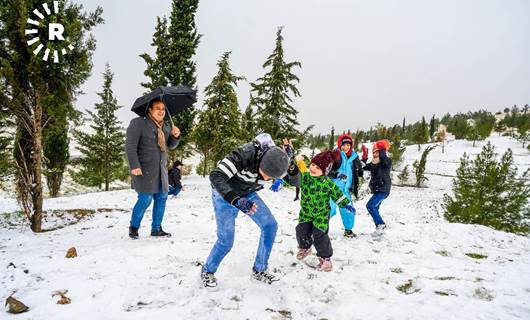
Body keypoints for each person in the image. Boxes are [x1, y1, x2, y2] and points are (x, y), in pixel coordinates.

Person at [201, 133, 297, 288]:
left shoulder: (276, 159)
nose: (266, 180)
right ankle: (207, 270)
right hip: (224, 194)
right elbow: (216, 176)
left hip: (248, 192)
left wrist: (289, 164)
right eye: (266, 175)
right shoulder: (244, 154)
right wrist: (236, 200)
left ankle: (259, 270)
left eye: (271, 178)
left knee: (270, 225)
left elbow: (296, 181)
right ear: (260, 163)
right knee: (226, 240)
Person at [125, 98, 180, 239]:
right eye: (157, 108)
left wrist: (175, 136)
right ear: (150, 109)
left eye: (163, 108)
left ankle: (156, 229)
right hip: (143, 169)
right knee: (145, 199)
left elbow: (170, 145)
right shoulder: (138, 123)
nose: (161, 111)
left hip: (161, 170)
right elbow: (130, 147)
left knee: (161, 198)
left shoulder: (166, 127)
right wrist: (134, 166)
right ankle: (134, 227)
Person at [294, 151, 354, 272]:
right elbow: (297, 171)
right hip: (306, 212)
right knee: (301, 230)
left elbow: (337, 194)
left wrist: (345, 204)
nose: (313, 168)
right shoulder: (305, 177)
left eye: (318, 167)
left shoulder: (328, 183)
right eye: (313, 165)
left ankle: (325, 259)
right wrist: (298, 161)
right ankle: (305, 248)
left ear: (325, 171)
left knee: (319, 235)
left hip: (321, 215)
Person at [328, 134, 363, 238]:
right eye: (344, 145)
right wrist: (337, 174)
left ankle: (348, 231)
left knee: (348, 210)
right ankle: (317, 229)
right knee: (329, 209)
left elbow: (358, 171)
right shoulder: (335, 155)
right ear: (340, 145)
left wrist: (361, 170)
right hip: (333, 188)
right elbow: (327, 170)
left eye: (348, 145)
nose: (346, 147)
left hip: (345, 190)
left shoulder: (354, 157)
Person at [361, 140, 392, 234]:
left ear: (382, 152)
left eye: (377, 152)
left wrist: (381, 148)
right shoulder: (373, 163)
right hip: (377, 190)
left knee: (370, 206)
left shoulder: (386, 162)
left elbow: (383, 157)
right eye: (373, 152)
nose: (375, 154)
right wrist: (364, 157)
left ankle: (381, 225)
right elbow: (362, 167)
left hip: (383, 189)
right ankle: (379, 229)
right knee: (375, 208)